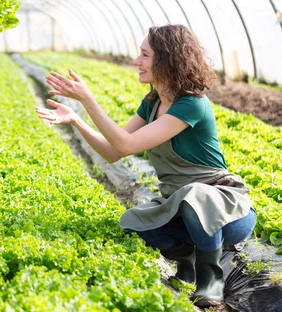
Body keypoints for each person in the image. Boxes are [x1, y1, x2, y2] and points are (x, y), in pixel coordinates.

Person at [36, 24, 255, 308]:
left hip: (227, 211)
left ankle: (211, 278)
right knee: (134, 222)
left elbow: (126, 145)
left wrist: (89, 100)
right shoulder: (151, 102)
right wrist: (77, 120)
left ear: (167, 59)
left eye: (144, 55)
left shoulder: (191, 104)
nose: (136, 62)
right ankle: (186, 261)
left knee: (195, 196)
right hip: (181, 207)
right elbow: (115, 152)